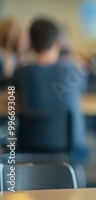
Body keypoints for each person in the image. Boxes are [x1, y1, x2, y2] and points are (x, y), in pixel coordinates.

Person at [7, 18, 89, 164]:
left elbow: (12, 97)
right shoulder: (74, 71)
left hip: (29, 146)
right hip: (71, 148)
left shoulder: (21, 73)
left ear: (30, 44)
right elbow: (81, 91)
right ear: (58, 43)